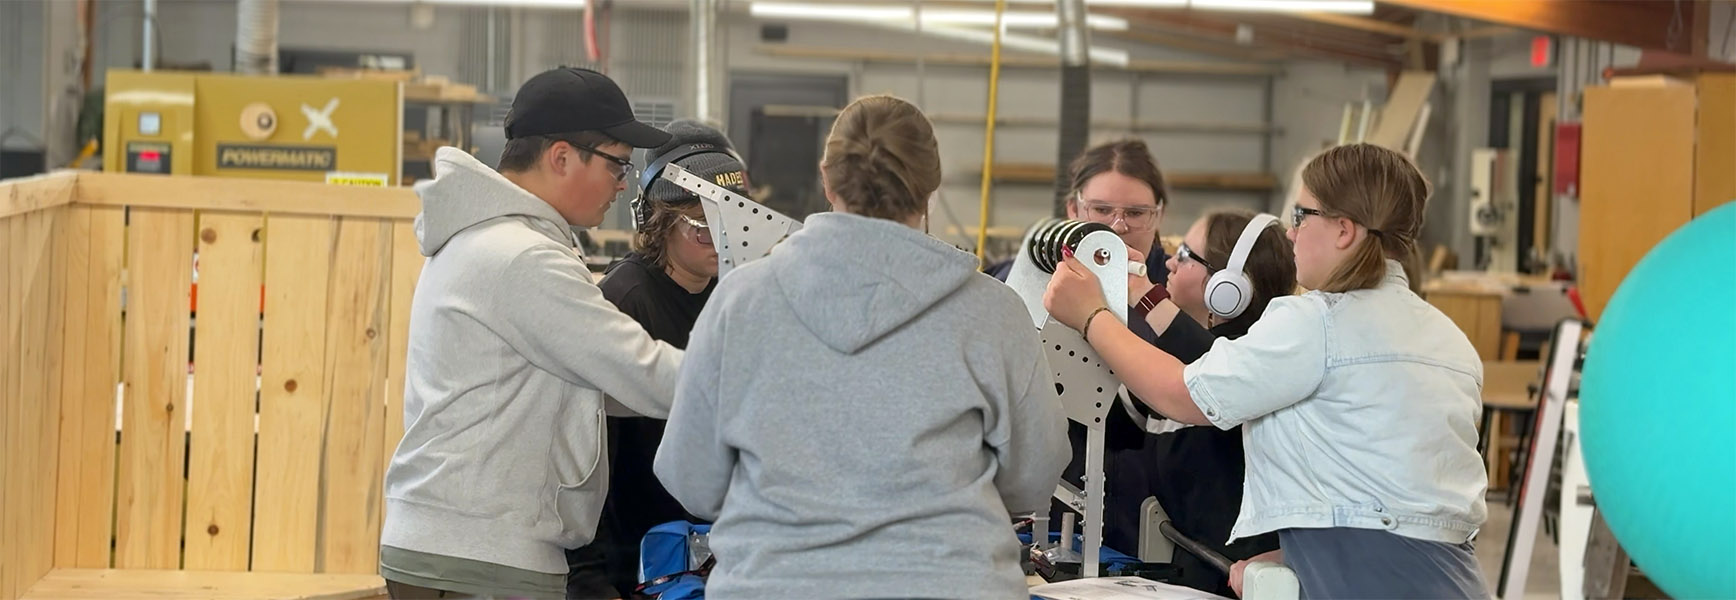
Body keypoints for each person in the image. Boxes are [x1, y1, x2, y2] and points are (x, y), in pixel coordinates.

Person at [653, 95, 1070, 600]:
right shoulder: (993, 313)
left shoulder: (740, 302)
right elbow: (1033, 477)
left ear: (827, 177)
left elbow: (691, 477)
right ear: (930, 188)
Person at [1044, 143, 1489, 599]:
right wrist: (1294, 553)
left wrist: (1090, 315)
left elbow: (1180, 393)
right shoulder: (1447, 337)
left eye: (1301, 216)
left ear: (1343, 230)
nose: (1292, 234)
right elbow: (1396, 496)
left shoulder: (1315, 322)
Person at [381, 67, 685, 600]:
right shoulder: (523, 258)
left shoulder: (491, 241)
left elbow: (601, 385)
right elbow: (638, 369)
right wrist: (761, 380)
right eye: (618, 162)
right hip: (478, 556)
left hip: (462, 545)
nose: (623, 183)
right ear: (562, 157)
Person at [570, 120, 748, 597]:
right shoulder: (624, 302)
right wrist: (589, 576)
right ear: (659, 219)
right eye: (699, 224)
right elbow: (585, 448)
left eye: (730, 220)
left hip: (711, 559)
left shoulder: (735, 297)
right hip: (633, 562)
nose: (718, 237)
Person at [1103, 210, 1294, 596]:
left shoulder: (1254, 360)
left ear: (1229, 285)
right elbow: (1114, 425)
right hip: (1195, 570)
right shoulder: (1181, 359)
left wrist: (1140, 292)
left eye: (1187, 254)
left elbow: (1212, 364)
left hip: (1239, 579)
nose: (1170, 262)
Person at [988, 139, 1173, 286]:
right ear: (1073, 209)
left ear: (1159, 215)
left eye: (1135, 213)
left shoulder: (1180, 289)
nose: (1118, 228)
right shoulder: (1019, 281)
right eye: (1101, 210)